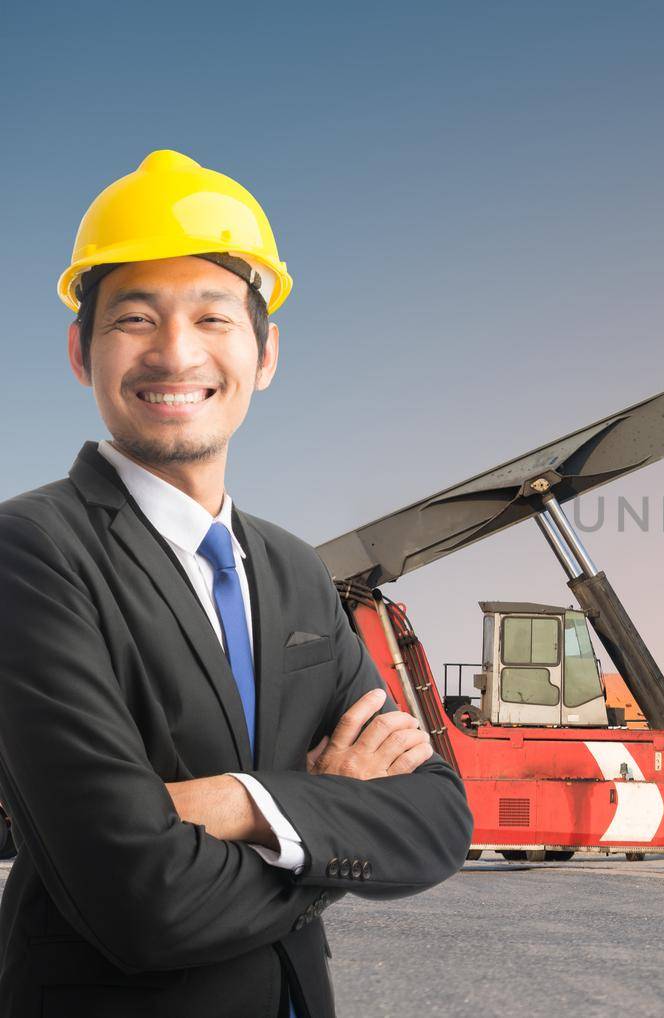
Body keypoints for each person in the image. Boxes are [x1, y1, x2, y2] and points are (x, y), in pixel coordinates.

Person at [0, 150, 474, 1017]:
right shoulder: (31, 551)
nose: (175, 353)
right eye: (135, 319)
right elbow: (140, 901)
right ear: (81, 352)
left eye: (214, 318)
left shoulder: (293, 567)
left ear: (264, 353)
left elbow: (439, 820)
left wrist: (236, 803)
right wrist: (328, 816)